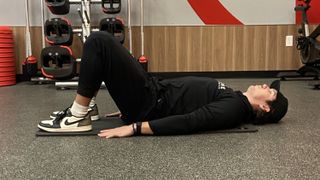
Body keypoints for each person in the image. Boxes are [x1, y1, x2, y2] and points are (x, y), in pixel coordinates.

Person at [38, 32, 289, 138]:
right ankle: (87, 107)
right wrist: (126, 111)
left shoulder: (235, 109)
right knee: (103, 47)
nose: (265, 85)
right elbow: (186, 96)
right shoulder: (236, 98)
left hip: (149, 103)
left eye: (270, 90)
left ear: (266, 108)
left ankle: (78, 117)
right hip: (151, 92)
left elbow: (191, 122)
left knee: (100, 41)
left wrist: (134, 128)